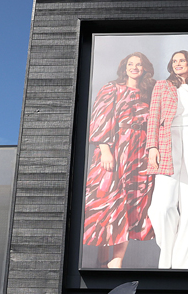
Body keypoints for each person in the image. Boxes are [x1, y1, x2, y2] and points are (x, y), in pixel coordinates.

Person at [83, 52, 156, 268]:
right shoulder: (112, 88)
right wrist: (105, 149)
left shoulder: (148, 92)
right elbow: (100, 119)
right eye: (130, 64)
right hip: (115, 148)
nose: (134, 67)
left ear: (145, 68)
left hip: (139, 152)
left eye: (139, 64)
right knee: (108, 201)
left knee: (131, 202)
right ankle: (102, 258)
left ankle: (117, 260)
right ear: (124, 67)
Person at [145, 50, 188, 269]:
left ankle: (187, 264)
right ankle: (168, 255)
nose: (177, 64)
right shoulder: (162, 86)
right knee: (161, 207)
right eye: (174, 61)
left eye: (182, 60)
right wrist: (152, 147)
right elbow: (153, 118)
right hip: (167, 142)